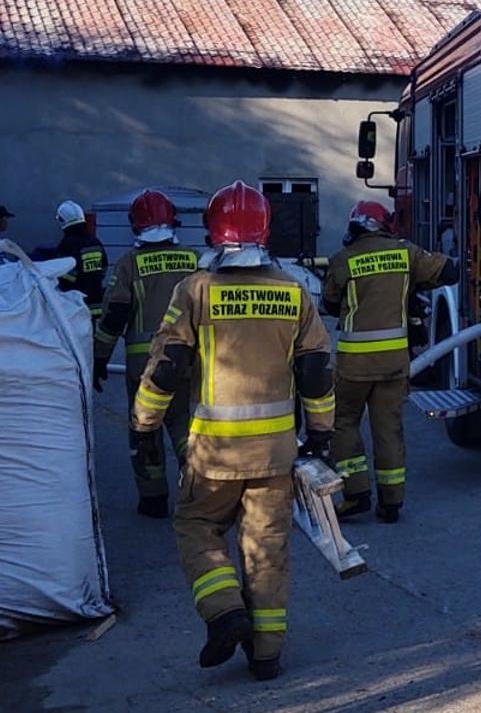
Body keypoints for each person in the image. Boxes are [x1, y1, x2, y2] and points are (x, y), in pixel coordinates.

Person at [132, 181, 336, 682]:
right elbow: (316, 372)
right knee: (267, 550)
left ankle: (224, 611)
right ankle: (266, 656)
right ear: (265, 230)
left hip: (214, 454)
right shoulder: (293, 292)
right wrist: (322, 435)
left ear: (212, 230)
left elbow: (166, 368)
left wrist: (144, 425)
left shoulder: (196, 290)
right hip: (276, 455)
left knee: (196, 527)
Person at [321, 200, 456, 524]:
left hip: (354, 365)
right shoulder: (405, 253)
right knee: (389, 428)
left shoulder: (343, 260)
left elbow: (329, 303)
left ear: (355, 227)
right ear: (383, 225)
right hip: (394, 364)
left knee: (343, 422)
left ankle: (356, 494)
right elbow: (449, 271)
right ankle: (391, 502)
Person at [95, 190, 200, 518]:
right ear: (173, 222)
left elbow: (115, 314)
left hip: (144, 363)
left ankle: (153, 497)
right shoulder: (193, 259)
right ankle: (196, 484)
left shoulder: (129, 263)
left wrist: (99, 356)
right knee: (183, 420)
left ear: (135, 225)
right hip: (187, 358)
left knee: (144, 426)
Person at [38, 200, 108, 320]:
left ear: (63, 221)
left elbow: (65, 278)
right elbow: (104, 268)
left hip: (76, 307)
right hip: (96, 305)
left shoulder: (67, 245)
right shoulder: (95, 242)